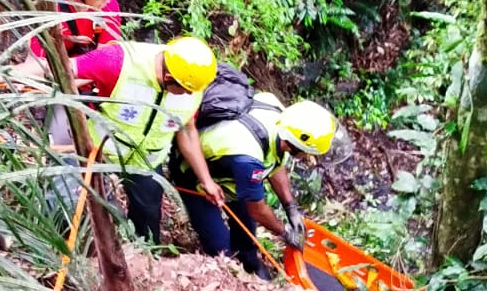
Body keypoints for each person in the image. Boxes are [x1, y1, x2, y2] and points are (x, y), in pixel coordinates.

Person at [71, 36, 224, 241]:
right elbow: (67, 68)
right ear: (169, 77)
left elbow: (187, 130)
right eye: (185, 90)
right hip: (100, 152)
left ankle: (144, 258)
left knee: (148, 222)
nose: (189, 95)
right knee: (95, 209)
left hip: (147, 161)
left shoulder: (193, 86)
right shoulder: (121, 61)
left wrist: (207, 181)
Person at [173, 96, 337, 278]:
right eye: (307, 152)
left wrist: (290, 207)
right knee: (220, 248)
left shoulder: (279, 115)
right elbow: (257, 210)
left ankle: (249, 262)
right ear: (297, 145)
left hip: (230, 174)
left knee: (247, 233)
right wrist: (285, 233)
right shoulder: (248, 158)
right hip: (197, 179)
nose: (307, 156)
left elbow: (276, 163)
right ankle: (230, 273)